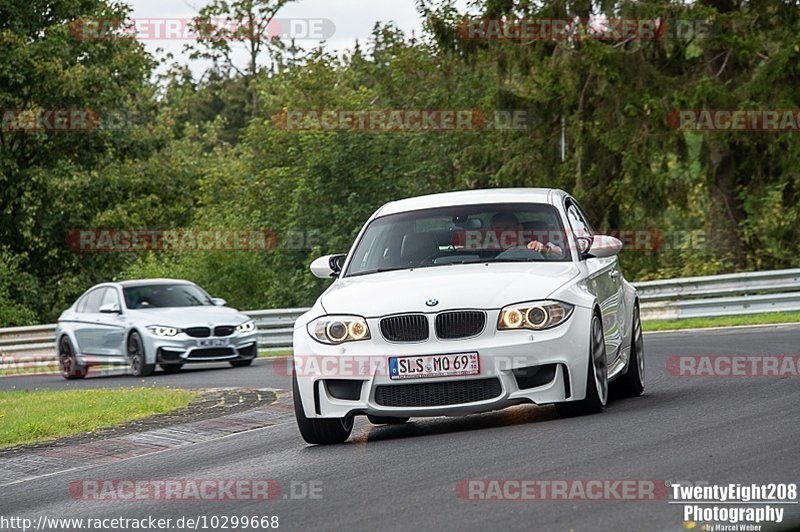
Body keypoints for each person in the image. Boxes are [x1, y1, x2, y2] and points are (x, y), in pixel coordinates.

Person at [490, 212, 564, 257]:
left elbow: (560, 254)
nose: (504, 233)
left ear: (520, 229)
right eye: (498, 229)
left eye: (508, 228)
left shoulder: (537, 245)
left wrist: (543, 249)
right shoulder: (484, 252)